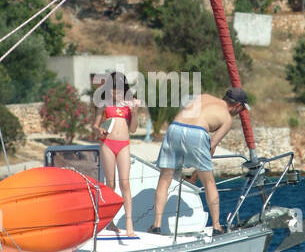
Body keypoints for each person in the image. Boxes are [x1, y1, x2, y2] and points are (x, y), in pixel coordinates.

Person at [150, 87, 249, 235]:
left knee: (164, 179)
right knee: (209, 182)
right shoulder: (227, 119)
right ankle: (217, 226)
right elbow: (210, 148)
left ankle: (156, 226)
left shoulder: (204, 96)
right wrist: (196, 176)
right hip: (197, 132)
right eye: (241, 110)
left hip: (175, 127)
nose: (239, 113)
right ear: (237, 106)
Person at [93, 71, 138, 237]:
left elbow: (133, 129)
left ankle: (129, 222)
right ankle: (109, 221)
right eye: (112, 88)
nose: (115, 92)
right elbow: (95, 125)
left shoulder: (129, 104)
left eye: (118, 89)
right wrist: (99, 129)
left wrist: (135, 113)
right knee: (110, 185)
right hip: (107, 144)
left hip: (124, 145)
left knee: (125, 184)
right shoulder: (103, 103)